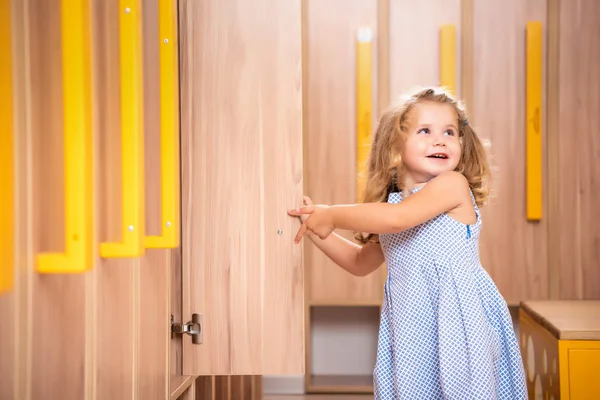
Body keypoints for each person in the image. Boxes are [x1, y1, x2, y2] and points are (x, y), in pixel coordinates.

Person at [288, 87, 528, 399]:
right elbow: (361, 262)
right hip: (414, 327)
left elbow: (398, 219)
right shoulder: (394, 202)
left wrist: (332, 214)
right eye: (425, 130)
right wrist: (316, 228)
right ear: (396, 144)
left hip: (458, 323)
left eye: (450, 132)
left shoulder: (451, 186)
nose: (439, 139)